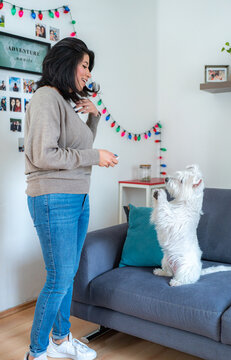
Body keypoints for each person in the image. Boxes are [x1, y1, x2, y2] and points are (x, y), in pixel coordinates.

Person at [24, 37, 118, 360]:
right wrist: (95, 155)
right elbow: (44, 154)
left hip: (77, 197)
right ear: (66, 62)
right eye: (84, 65)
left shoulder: (65, 103)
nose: (88, 74)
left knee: (67, 274)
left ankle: (61, 341)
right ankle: (36, 351)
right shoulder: (45, 98)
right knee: (59, 277)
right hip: (53, 198)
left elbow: (78, 147)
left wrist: (93, 116)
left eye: (89, 68)